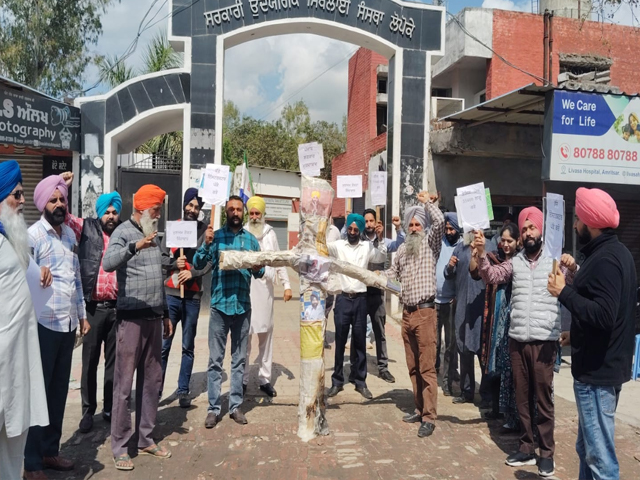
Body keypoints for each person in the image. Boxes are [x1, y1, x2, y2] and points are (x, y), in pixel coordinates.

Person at [476, 207, 575, 478]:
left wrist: (572, 266)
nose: (529, 232)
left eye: (533, 227)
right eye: (525, 229)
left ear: (541, 230)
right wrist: (481, 255)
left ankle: (546, 453)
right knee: (521, 397)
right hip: (518, 339)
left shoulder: (554, 261)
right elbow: (492, 276)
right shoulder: (515, 262)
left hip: (544, 341)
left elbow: (572, 283)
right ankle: (526, 447)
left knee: (543, 399)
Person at [548, 188, 637, 480]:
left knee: (600, 459)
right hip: (601, 367)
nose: (575, 225)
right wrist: (575, 335)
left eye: (578, 219)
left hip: (597, 375)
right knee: (587, 448)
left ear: (591, 222)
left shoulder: (607, 259)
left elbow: (604, 315)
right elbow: (609, 312)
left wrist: (563, 292)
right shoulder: (612, 253)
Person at [103, 184, 173, 471]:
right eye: (155, 210)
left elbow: (158, 277)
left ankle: (145, 439)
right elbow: (108, 263)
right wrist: (135, 247)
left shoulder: (154, 235)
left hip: (154, 318)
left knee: (152, 381)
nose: (158, 215)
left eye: (159, 210)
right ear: (142, 208)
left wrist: (165, 313)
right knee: (123, 385)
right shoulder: (123, 232)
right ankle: (120, 446)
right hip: (130, 319)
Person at [25, 175, 89, 478]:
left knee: (58, 392)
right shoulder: (32, 236)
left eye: (62, 199)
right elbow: (21, 279)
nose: (59, 204)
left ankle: (50, 451)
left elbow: (75, 279)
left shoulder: (69, 236)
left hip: (67, 324)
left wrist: (82, 315)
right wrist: (37, 272)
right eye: (53, 200)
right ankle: (31, 462)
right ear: (42, 204)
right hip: (42, 324)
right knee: (38, 394)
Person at [193, 195, 265, 429]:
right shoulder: (215, 236)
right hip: (219, 307)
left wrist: (258, 266)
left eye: (239, 209)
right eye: (231, 209)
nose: (235, 212)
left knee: (239, 360)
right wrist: (206, 244)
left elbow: (260, 273)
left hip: (242, 307)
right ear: (226, 212)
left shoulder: (251, 241)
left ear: (243, 212)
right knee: (215, 361)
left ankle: (235, 406)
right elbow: (197, 264)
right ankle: (213, 408)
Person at [61, 172, 122, 434]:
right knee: (89, 363)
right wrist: (63, 188)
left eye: (114, 212)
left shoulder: (124, 233)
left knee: (113, 363)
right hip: (93, 310)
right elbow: (63, 217)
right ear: (100, 213)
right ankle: (88, 412)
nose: (111, 216)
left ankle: (109, 408)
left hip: (117, 309)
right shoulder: (86, 228)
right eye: (107, 212)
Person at [0, 161, 49, 480]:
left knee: (13, 440)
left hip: (20, 360)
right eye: (16, 194)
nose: (22, 200)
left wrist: (40, 271)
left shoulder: (14, 239)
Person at [384, 191, 444, 438]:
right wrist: (375, 277)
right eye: (411, 225)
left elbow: (439, 222)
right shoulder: (401, 251)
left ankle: (429, 417)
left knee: (427, 367)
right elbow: (392, 276)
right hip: (407, 315)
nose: (414, 228)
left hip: (425, 313)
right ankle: (419, 409)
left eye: (418, 224)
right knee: (412, 366)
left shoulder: (431, 244)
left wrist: (426, 203)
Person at [327, 213, 387, 400]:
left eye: (356, 230)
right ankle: (337, 381)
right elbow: (321, 247)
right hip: (343, 299)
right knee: (340, 341)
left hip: (361, 300)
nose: (352, 232)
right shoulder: (338, 246)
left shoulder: (367, 247)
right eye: (350, 229)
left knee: (360, 342)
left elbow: (381, 256)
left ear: (360, 231)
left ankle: (360, 381)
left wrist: (381, 239)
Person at [160, 188, 211, 408]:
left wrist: (193, 272)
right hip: (171, 295)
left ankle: (183, 390)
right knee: (164, 345)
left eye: (196, 207)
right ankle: (156, 391)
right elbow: (161, 258)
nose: (192, 209)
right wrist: (174, 263)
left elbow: (210, 262)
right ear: (184, 205)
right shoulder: (174, 228)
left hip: (192, 296)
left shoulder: (205, 231)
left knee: (188, 346)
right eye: (190, 205)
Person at [243, 196, 292, 398]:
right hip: (246, 289)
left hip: (266, 290)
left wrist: (287, 285)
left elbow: (278, 260)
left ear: (263, 215)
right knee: (245, 337)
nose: (255, 217)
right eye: (252, 213)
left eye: (258, 213)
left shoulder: (270, 233)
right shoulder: (242, 232)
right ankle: (243, 379)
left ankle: (264, 379)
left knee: (266, 336)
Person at [474, 223, 520, 430]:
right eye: (504, 240)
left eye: (510, 241)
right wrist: (479, 253)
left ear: (518, 241)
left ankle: (514, 414)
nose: (506, 244)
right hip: (495, 317)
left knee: (512, 368)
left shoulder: (520, 262)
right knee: (494, 361)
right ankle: (497, 408)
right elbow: (483, 274)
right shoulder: (495, 258)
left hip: (514, 321)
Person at [444, 231, 494, 406]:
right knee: (463, 349)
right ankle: (467, 391)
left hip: (482, 306)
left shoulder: (490, 247)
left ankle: (487, 395)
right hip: (462, 306)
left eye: (475, 229)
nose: (472, 232)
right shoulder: (460, 248)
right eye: (469, 229)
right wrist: (450, 266)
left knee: (482, 351)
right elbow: (448, 274)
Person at [357, 209, 404, 383]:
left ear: (377, 222)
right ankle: (358, 369)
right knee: (359, 332)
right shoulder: (358, 241)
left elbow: (401, 245)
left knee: (380, 332)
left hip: (377, 294)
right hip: (360, 292)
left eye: (372, 221)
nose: (369, 224)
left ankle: (383, 368)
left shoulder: (384, 241)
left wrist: (398, 228)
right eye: (366, 221)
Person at [435, 212, 461, 396]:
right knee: (434, 343)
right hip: (434, 301)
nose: (448, 232)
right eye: (447, 228)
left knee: (450, 345)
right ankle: (433, 374)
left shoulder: (462, 246)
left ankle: (447, 381)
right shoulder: (439, 242)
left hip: (452, 303)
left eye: (452, 229)